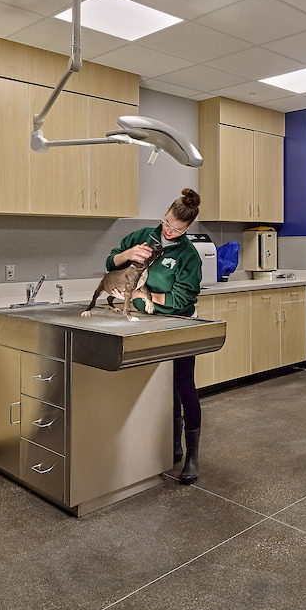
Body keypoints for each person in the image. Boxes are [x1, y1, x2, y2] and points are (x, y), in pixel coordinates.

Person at [104, 188, 205, 484]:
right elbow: (111, 263)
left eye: (177, 229)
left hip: (178, 325)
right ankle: (172, 446)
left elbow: (180, 301)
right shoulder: (143, 237)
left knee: (183, 386)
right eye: (167, 223)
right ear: (165, 215)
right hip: (146, 324)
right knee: (163, 387)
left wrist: (139, 296)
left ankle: (192, 454)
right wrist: (127, 254)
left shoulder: (188, 256)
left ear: (188, 228)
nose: (169, 231)